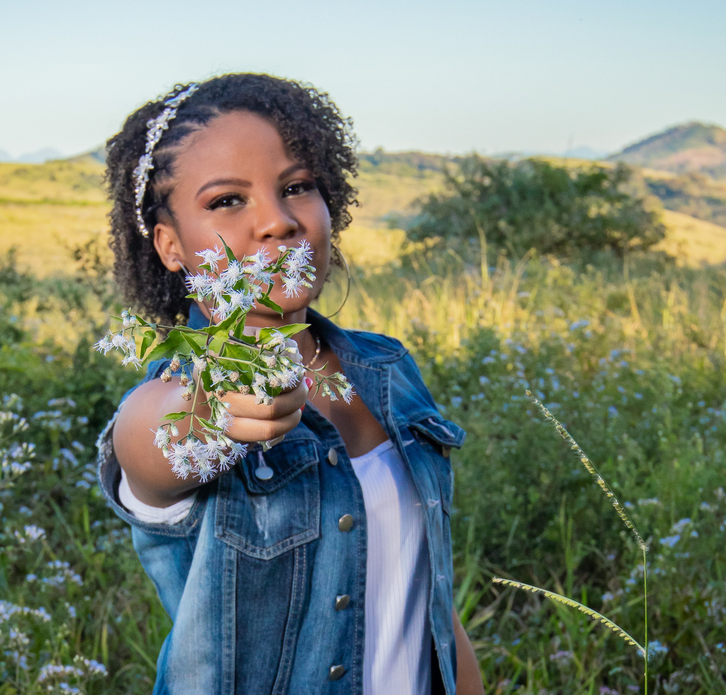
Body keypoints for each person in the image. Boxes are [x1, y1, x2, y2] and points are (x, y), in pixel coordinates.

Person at [95, 73, 484, 694]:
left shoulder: (388, 372)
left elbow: (426, 598)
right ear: (170, 245)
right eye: (227, 201)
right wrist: (215, 407)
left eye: (297, 187)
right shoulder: (180, 394)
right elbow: (151, 441)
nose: (277, 222)